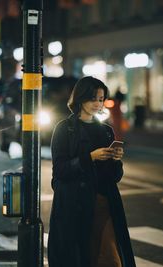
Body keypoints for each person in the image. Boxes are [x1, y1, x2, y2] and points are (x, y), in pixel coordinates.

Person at [47, 76, 136, 267]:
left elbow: (115, 176)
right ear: (80, 98)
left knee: (111, 260)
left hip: (104, 203)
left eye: (101, 99)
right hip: (75, 206)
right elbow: (60, 170)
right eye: (93, 98)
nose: (98, 103)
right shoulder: (65, 129)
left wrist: (115, 159)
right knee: (81, 259)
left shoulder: (105, 131)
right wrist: (90, 157)